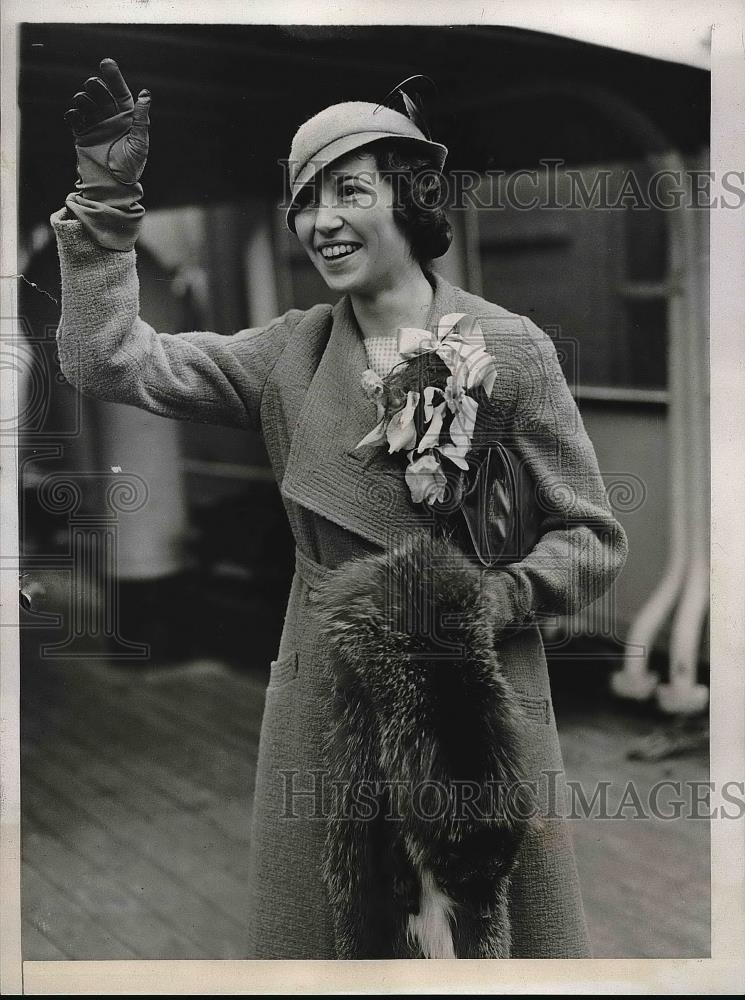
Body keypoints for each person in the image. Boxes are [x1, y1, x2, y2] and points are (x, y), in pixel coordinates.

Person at [53, 59, 628, 959]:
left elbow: (592, 539)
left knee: (478, 938)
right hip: (325, 688)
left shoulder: (510, 349)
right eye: (305, 202)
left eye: (349, 191)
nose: (321, 222)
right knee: (340, 938)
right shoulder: (288, 351)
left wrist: (492, 599)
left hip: (475, 690)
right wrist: (103, 198)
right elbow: (108, 359)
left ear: (410, 199)